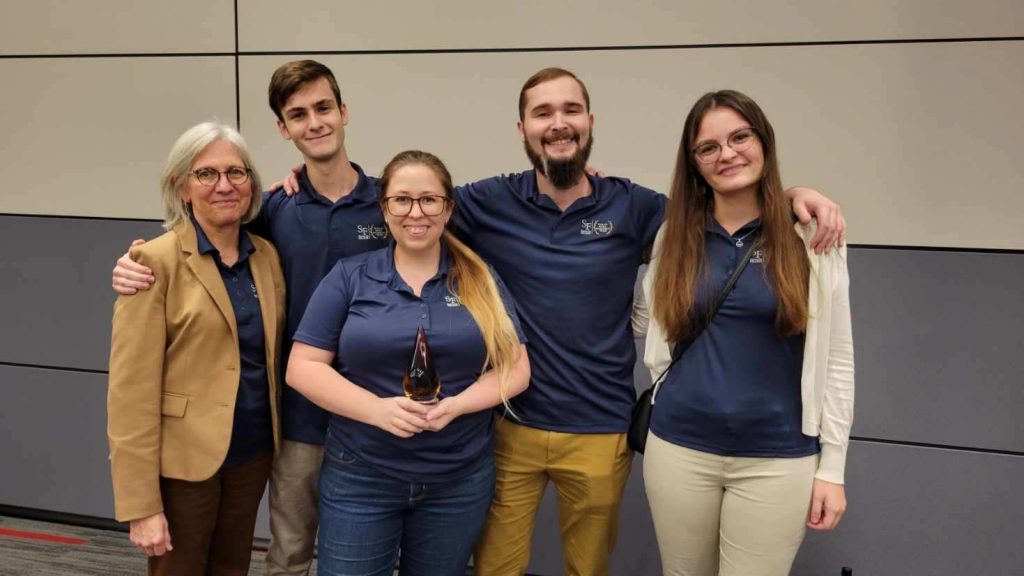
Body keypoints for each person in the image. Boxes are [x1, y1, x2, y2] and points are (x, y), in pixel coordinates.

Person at [276, 67, 846, 576]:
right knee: (494, 566)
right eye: (542, 113)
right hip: (509, 427)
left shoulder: (635, 206)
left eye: (570, 110)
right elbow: (411, 195)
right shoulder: (485, 202)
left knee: (588, 567)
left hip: (601, 429)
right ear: (522, 129)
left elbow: (725, 208)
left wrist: (793, 194)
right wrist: (308, 175)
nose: (558, 123)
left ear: (590, 122)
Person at [110, 60, 390, 576]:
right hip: (278, 429)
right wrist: (130, 264)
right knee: (284, 556)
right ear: (284, 129)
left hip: (340, 424)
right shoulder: (269, 212)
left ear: (344, 112)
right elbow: (130, 392)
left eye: (324, 107)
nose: (224, 186)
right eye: (298, 114)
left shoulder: (383, 205)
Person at [636, 90, 854, 576]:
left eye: (740, 137)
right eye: (708, 147)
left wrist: (833, 468)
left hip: (776, 459)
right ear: (694, 163)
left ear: (764, 142)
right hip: (679, 450)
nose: (727, 153)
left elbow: (838, 356)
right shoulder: (673, 237)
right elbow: (649, 324)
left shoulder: (811, 236)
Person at [286, 150, 531, 576]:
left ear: (448, 208)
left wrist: (458, 404)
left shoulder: (479, 277)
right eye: (401, 200)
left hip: (458, 479)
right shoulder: (349, 276)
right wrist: (376, 410)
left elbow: (517, 368)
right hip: (360, 476)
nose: (415, 212)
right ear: (384, 209)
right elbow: (302, 366)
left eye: (429, 199)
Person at [107, 121, 286, 575]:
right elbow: (130, 395)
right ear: (182, 187)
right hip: (183, 468)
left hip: (251, 457)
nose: (224, 185)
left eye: (236, 172)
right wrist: (141, 506)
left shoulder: (266, 256)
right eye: (206, 174)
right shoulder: (154, 262)